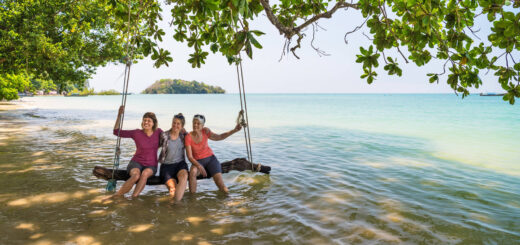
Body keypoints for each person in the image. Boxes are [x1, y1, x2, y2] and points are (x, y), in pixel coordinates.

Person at [111, 105, 163, 198]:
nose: (146, 122)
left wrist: (182, 131)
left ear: (154, 123)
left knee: (144, 174)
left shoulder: (159, 132)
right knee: (136, 176)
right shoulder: (136, 133)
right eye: (144, 120)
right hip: (136, 162)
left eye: (149, 121)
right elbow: (116, 132)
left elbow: (170, 137)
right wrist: (119, 115)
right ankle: (116, 196)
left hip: (151, 165)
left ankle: (133, 198)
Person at [186, 114, 242, 193]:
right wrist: (199, 166)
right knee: (192, 172)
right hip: (198, 161)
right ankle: (192, 199)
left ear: (202, 125)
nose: (195, 125)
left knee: (220, 183)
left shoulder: (205, 131)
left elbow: (219, 137)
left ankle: (228, 199)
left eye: (198, 123)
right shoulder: (188, 136)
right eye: (194, 123)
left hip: (210, 159)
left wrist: (234, 130)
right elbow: (189, 157)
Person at [158, 113, 188, 201]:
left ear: (182, 126)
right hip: (166, 167)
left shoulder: (184, 137)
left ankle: (176, 204)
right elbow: (153, 147)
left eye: (178, 123)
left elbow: (195, 146)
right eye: (174, 122)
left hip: (180, 164)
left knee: (184, 176)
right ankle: (174, 209)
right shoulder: (164, 135)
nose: (175, 125)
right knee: (173, 188)